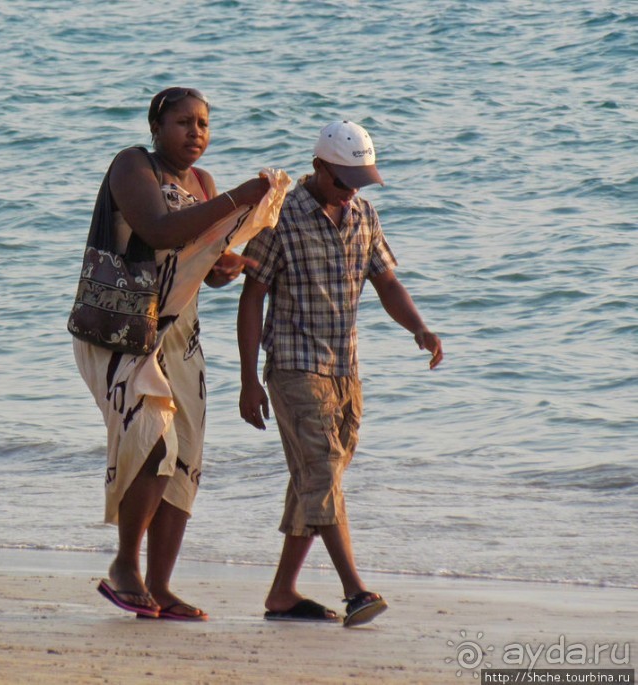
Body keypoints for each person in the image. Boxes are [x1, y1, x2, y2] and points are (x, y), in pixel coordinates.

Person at [73, 87, 280, 621]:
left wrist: (224, 266)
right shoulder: (133, 166)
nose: (196, 132)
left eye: (204, 124)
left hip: (180, 334)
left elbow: (200, 265)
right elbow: (158, 230)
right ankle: (125, 567)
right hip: (124, 327)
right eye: (184, 122)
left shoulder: (202, 184)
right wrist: (237, 198)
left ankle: (160, 586)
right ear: (156, 127)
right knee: (153, 442)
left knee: (185, 457)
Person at [237, 120, 443, 627]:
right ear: (318, 167)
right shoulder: (280, 218)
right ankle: (356, 590)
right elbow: (252, 296)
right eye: (344, 181)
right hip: (293, 367)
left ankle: (282, 593)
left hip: (346, 371)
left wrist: (419, 328)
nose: (352, 191)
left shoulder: (364, 216)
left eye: (360, 182)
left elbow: (387, 282)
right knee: (323, 473)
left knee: (314, 480)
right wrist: (248, 379)